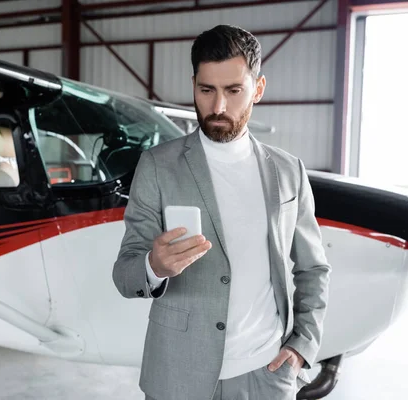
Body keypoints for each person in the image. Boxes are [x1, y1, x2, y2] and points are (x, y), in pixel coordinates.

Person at [112, 24, 331, 400]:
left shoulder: (288, 170)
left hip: (266, 374)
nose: (218, 108)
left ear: (258, 89)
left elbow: (313, 269)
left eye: (233, 91)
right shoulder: (157, 166)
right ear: (193, 84)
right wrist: (154, 266)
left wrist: (302, 346)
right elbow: (124, 273)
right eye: (206, 90)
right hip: (177, 376)